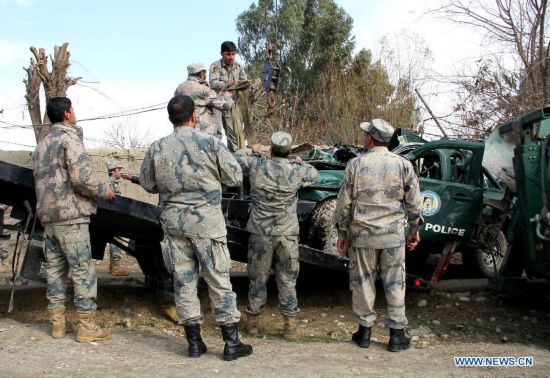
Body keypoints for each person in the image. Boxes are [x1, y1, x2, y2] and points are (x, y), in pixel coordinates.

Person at [139, 95, 252, 361]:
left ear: (170, 118)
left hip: (174, 223)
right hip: (207, 223)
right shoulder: (211, 143)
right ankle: (231, 343)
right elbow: (235, 177)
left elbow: (147, 182)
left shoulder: (157, 147)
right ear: (194, 117)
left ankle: (194, 343)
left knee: (184, 280)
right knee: (218, 279)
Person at [333, 119, 422, 352]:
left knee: (362, 282)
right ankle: (396, 336)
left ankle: (364, 333)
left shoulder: (356, 164)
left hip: (363, 236)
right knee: (395, 283)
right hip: (393, 236)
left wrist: (342, 232)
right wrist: (414, 230)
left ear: (370, 138)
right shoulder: (404, 165)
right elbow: (414, 203)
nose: (364, 138)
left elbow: (344, 203)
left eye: (365, 135)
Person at [32, 96, 116, 342]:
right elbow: (82, 179)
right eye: (73, 109)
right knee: (82, 271)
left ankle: (57, 325)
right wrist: (104, 191)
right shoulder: (71, 139)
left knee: (55, 271)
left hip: (49, 219)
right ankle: (86, 327)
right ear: (67, 113)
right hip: (72, 218)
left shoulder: (42, 144)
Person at [234, 133, 318, 340]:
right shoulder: (296, 171)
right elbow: (314, 174)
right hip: (286, 234)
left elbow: (235, 158)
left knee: (257, 278)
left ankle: (252, 324)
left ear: (270, 150)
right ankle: (290, 327)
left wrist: (251, 150)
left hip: (260, 233)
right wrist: (300, 162)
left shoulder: (257, 167)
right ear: (289, 151)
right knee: (287, 279)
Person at [174, 62, 230, 139]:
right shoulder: (203, 90)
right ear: (201, 74)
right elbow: (225, 105)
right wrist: (226, 95)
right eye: (205, 73)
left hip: (183, 133)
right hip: (203, 134)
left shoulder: (178, 89)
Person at [209, 41, 247, 152]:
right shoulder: (215, 66)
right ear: (222, 54)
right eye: (228, 54)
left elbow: (244, 81)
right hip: (217, 105)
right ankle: (215, 158)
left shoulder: (239, 66)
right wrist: (228, 84)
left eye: (233, 54)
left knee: (234, 134)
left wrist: (240, 83)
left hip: (231, 105)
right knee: (217, 134)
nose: (231, 57)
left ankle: (235, 159)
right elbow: (213, 84)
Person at [106, 163, 129, 276]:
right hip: (113, 217)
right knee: (117, 240)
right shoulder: (109, 183)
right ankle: (115, 267)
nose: (120, 171)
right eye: (118, 169)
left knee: (114, 240)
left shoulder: (114, 183)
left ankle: (113, 266)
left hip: (114, 216)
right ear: (112, 172)